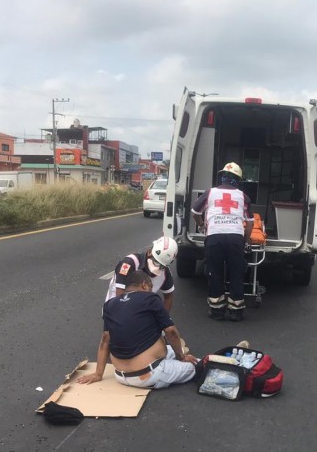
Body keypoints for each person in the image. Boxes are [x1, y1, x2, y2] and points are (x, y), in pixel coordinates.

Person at [78, 271, 198, 389]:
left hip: (120, 375)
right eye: (150, 288)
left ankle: (176, 357)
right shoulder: (150, 298)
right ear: (145, 285)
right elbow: (171, 331)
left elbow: (105, 340)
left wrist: (98, 374)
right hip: (148, 375)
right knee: (196, 365)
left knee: (171, 350)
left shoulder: (110, 304)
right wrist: (182, 357)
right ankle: (186, 361)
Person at [191, 162, 253, 321]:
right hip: (235, 238)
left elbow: (195, 212)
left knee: (215, 273)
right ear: (238, 180)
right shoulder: (243, 196)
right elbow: (250, 222)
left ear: (222, 177)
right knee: (236, 274)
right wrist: (246, 242)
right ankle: (236, 312)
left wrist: (202, 226)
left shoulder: (210, 192)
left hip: (214, 237)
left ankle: (217, 311)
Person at [105, 236, 178, 313]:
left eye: (162, 266)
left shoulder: (165, 273)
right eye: (156, 262)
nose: (157, 268)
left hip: (140, 310)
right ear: (149, 252)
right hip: (115, 308)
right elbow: (120, 297)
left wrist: (163, 318)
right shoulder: (129, 263)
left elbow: (168, 297)